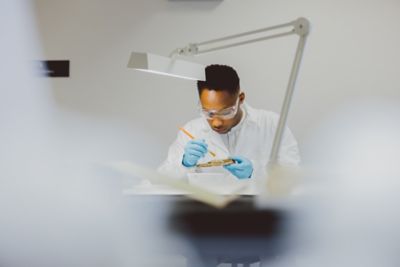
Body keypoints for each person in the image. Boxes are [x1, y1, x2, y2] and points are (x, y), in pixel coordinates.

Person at [158, 64, 300, 186]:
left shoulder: (272, 124)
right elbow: (161, 180)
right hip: (207, 214)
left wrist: (255, 172)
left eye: (226, 112)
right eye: (208, 113)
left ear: (241, 98)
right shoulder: (192, 130)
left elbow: (292, 176)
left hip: (258, 213)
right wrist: (184, 163)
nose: (216, 123)